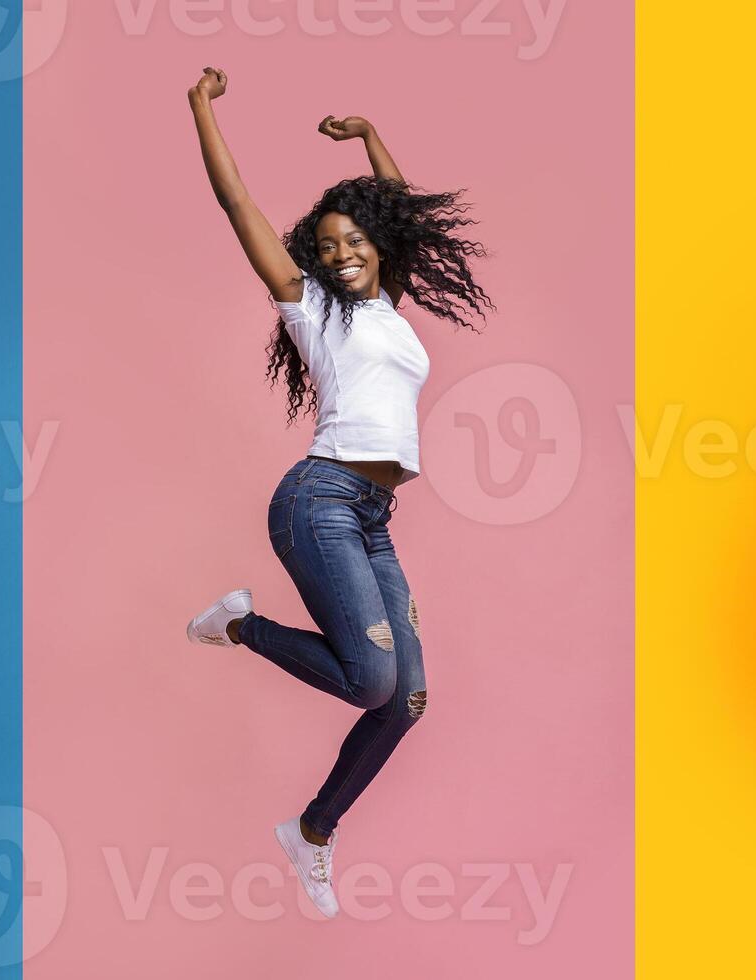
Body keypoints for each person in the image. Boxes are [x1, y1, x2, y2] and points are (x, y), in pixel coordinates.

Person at [168, 67, 496, 918]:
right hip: (318, 499)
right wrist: (199, 107)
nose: (342, 253)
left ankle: (311, 833)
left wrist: (369, 134)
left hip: (373, 518)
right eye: (328, 244)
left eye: (356, 240)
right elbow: (239, 207)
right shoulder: (309, 307)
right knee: (369, 682)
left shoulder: (389, 305)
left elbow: (402, 206)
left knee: (406, 702)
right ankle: (239, 624)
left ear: (377, 243)